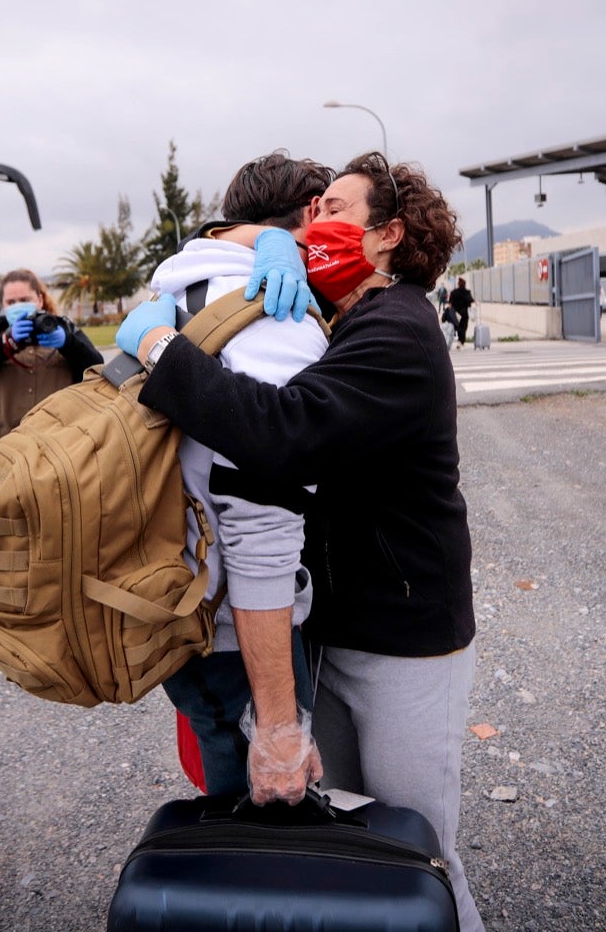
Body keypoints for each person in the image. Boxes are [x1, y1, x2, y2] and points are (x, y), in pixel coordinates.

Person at [116, 152, 484, 931]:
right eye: (308, 218)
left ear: (387, 236)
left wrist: (158, 352)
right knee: (348, 847)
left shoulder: (401, 328)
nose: (315, 227)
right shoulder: (336, 316)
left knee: (418, 851)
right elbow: (223, 252)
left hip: (406, 641)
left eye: (337, 213)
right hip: (338, 628)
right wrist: (262, 245)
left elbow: (282, 436)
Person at [144, 151, 333, 804]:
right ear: (312, 214)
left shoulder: (178, 287)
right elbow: (261, 522)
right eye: (334, 215)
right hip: (237, 633)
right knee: (264, 831)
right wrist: (279, 725)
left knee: (223, 799)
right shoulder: (273, 313)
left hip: (174, 601)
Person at [0, 268, 103, 465]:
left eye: (24, 299)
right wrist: (5, 342)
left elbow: (96, 367)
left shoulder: (64, 328)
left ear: (39, 300)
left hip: (60, 447)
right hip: (4, 449)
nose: (17, 306)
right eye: (11, 302)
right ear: (3, 304)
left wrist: (68, 343)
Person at [448, 276, 475, 347]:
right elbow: (471, 300)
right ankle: (461, 341)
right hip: (464, 313)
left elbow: (450, 303)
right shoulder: (467, 292)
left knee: (458, 327)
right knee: (464, 327)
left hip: (456, 314)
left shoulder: (454, 292)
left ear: (458, 284)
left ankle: (460, 341)